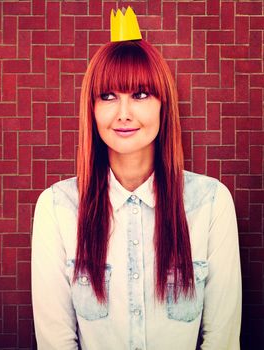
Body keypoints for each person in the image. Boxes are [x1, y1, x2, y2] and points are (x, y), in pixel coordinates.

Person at [31, 7, 241, 350]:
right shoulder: (56, 208)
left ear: (163, 105)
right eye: (109, 96)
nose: (124, 113)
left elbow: (223, 340)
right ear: (92, 109)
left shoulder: (211, 203)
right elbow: (56, 343)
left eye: (140, 95)